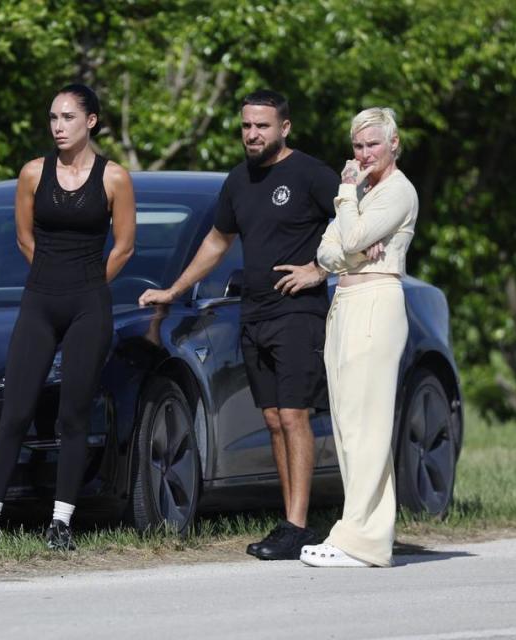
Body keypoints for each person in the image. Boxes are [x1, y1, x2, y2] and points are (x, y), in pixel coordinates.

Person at [139, 90, 338, 560]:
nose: (252, 134)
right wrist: (172, 289)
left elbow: (354, 223)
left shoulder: (310, 173)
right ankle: (292, 523)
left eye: (262, 126)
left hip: (298, 314)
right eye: (246, 126)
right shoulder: (237, 181)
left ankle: (296, 524)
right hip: (255, 314)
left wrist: (320, 270)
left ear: (284, 128)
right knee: (272, 420)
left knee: (294, 416)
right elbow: (216, 241)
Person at [0, 84, 136, 551]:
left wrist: (87, 282)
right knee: (17, 409)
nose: (58, 126)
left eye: (67, 117)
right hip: (39, 301)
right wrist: (52, 278)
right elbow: (25, 238)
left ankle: (61, 521)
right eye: (52, 118)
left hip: (90, 304)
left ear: (91, 122)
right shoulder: (31, 173)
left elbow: (124, 246)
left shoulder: (115, 179)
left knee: (73, 414)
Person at [301, 107, 419, 568]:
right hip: (346, 305)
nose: (364, 152)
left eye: (373, 143)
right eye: (358, 145)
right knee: (350, 426)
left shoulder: (397, 191)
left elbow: (347, 238)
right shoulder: (363, 192)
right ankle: (366, 536)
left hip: (375, 303)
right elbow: (328, 249)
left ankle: (358, 539)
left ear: (394, 144)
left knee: (367, 426)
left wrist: (347, 198)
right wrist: (352, 241)